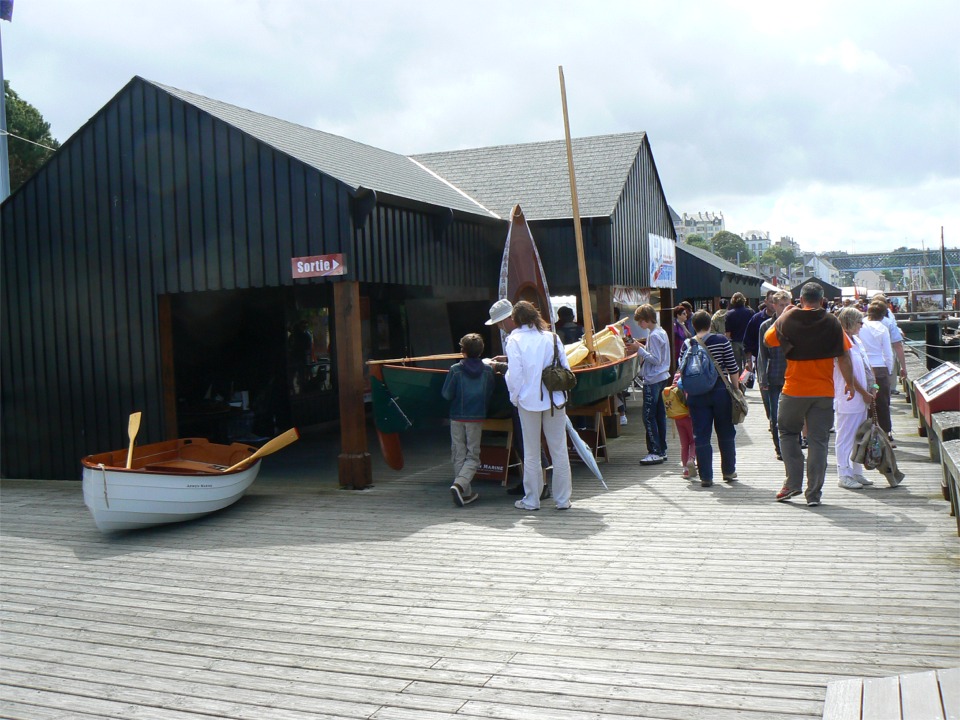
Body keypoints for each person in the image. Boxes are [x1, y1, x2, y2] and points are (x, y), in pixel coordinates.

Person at [765, 282, 856, 507]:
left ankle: (793, 483)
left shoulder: (789, 318)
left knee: (786, 432)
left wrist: (783, 314)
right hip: (823, 393)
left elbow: (768, 339)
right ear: (822, 299)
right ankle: (813, 493)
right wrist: (850, 383)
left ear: (801, 299)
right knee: (818, 441)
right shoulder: (832, 322)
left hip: (793, 390)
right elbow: (844, 356)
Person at [502, 300, 573, 511]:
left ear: (515, 319)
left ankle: (532, 500)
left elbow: (514, 375)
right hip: (555, 398)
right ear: (535, 315)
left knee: (531, 451)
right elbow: (566, 368)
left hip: (527, 400)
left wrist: (514, 398)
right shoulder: (551, 337)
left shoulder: (514, 340)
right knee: (559, 450)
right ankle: (563, 500)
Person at [679, 310, 740, 487]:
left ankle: (706, 476)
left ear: (693, 325)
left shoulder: (687, 344)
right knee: (726, 432)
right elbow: (732, 367)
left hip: (696, 395)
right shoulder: (721, 340)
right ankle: (728, 471)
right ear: (710, 324)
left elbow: (681, 370)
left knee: (701, 435)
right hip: (720, 391)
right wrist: (735, 389)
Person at [441, 333, 497, 507]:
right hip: (476, 416)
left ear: (462, 350)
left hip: (457, 416)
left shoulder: (455, 369)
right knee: (473, 456)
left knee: (458, 453)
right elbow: (489, 393)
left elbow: (446, 394)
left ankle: (461, 487)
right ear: (481, 351)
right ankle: (461, 488)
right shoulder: (487, 370)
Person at [834, 308, 879, 490]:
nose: (862, 325)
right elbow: (849, 375)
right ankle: (843, 473)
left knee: (859, 435)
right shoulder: (840, 342)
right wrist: (864, 392)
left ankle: (856, 471)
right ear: (850, 322)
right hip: (849, 396)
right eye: (859, 322)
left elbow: (867, 368)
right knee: (845, 435)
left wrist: (874, 388)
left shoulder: (857, 341)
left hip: (863, 397)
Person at [634, 304, 671, 465]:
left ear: (647, 319)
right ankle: (661, 449)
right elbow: (658, 356)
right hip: (662, 377)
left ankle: (654, 450)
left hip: (653, 378)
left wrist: (639, 350)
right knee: (659, 415)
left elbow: (655, 360)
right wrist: (640, 346)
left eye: (640, 321)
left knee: (648, 416)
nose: (639, 324)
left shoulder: (654, 335)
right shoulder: (660, 332)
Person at [757, 290, 791, 460]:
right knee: (775, 414)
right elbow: (761, 354)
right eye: (781, 305)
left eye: (787, 305)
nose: (784, 308)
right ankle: (779, 448)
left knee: (793, 414)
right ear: (773, 305)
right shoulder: (765, 326)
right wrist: (762, 378)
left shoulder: (794, 325)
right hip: (774, 375)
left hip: (792, 376)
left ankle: (794, 444)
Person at [860, 300, 895, 445]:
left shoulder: (860, 324)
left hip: (863, 367)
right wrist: (889, 369)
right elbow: (888, 353)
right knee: (882, 402)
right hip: (879, 368)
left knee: (866, 401)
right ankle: (885, 433)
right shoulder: (882, 328)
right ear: (882, 315)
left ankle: (866, 433)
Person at [724, 292, 753, 371]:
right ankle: (748, 381)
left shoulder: (729, 314)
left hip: (735, 342)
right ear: (744, 300)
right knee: (748, 363)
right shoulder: (750, 312)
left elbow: (728, 333)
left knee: (737, 365)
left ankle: (738, 382)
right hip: (747, 342)